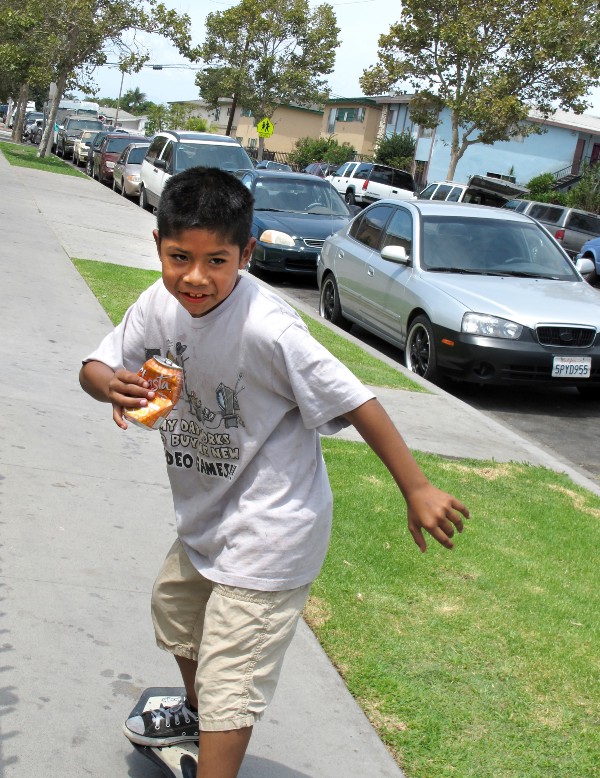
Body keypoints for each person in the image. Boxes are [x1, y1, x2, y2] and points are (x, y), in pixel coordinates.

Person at [79, 167, 469, 778]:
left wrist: (416, 487)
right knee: (176, 611)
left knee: (232, 671)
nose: (196, 277)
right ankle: (195, 712)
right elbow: (96, 365)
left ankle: (216, 736)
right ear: (158, 245)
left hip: (273, 529)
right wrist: (113, 387)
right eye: (180, 256)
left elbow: (356, 399)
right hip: (209, 515)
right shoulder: (160, 302)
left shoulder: (270, 327)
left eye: (217, 260)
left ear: (247, 254)